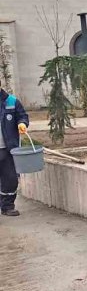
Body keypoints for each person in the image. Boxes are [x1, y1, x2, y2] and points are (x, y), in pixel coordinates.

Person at [0, 88, 29, 217]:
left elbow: (22, 116)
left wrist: (22, 123)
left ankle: (7, 207)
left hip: (8, 149)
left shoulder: (12, 101)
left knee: (10, 179)